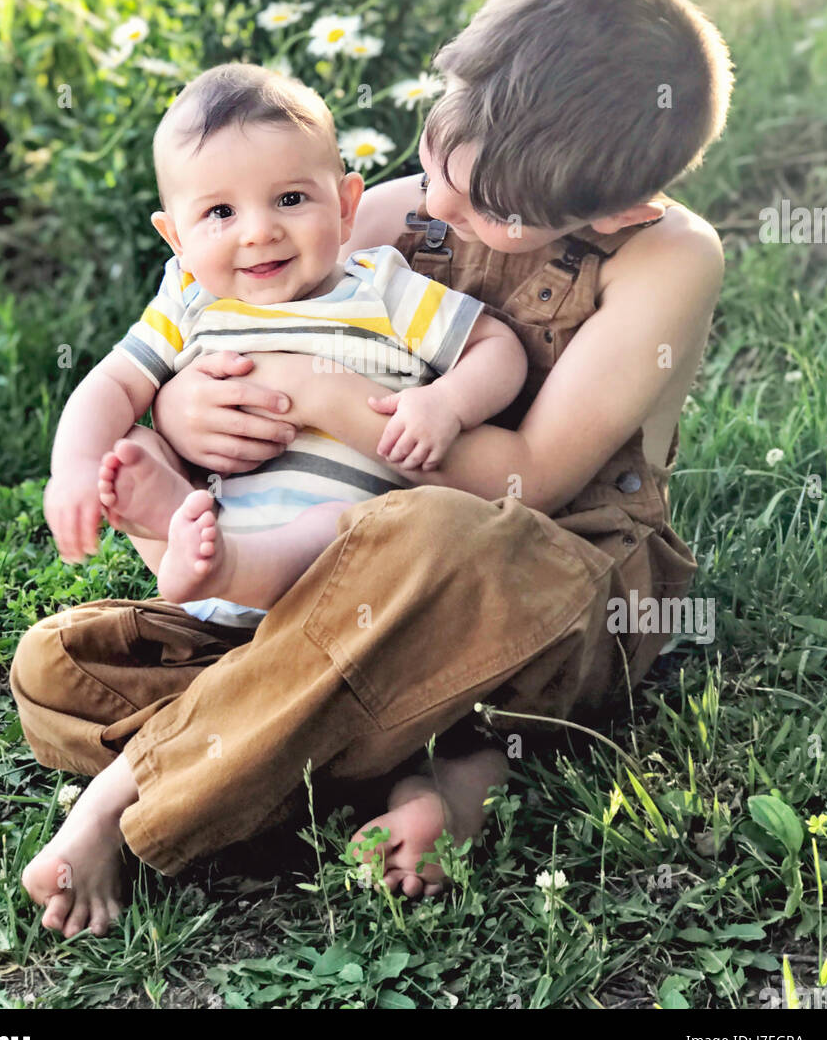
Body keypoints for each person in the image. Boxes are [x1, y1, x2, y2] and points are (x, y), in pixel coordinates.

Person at [13, 0, 731, 939]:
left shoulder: (668, 258)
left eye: (485, 208)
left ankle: (137, 799)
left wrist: (323, 395)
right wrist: (181, 413)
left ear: (614, 213)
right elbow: (234, 325)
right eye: (436, 156)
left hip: (535, 574)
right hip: (331, 589)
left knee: (425, 532)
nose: (436, 206)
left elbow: (520, 483)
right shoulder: (391, 208)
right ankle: (429, 766)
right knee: (58, 668)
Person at [43, 61, 526, 621]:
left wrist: (447, 402)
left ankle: (231, 568)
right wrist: (76, 465)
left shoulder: (379, 287)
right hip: (211, 523)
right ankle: (183, 527)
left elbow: (496, 348)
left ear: (346, 207)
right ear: (175, 237)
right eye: (220, 212)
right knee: (132, 449)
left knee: (338, 524)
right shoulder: (187, 298)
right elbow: (110, 382)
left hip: (338, 560)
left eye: (290, 199)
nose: (259, 231)